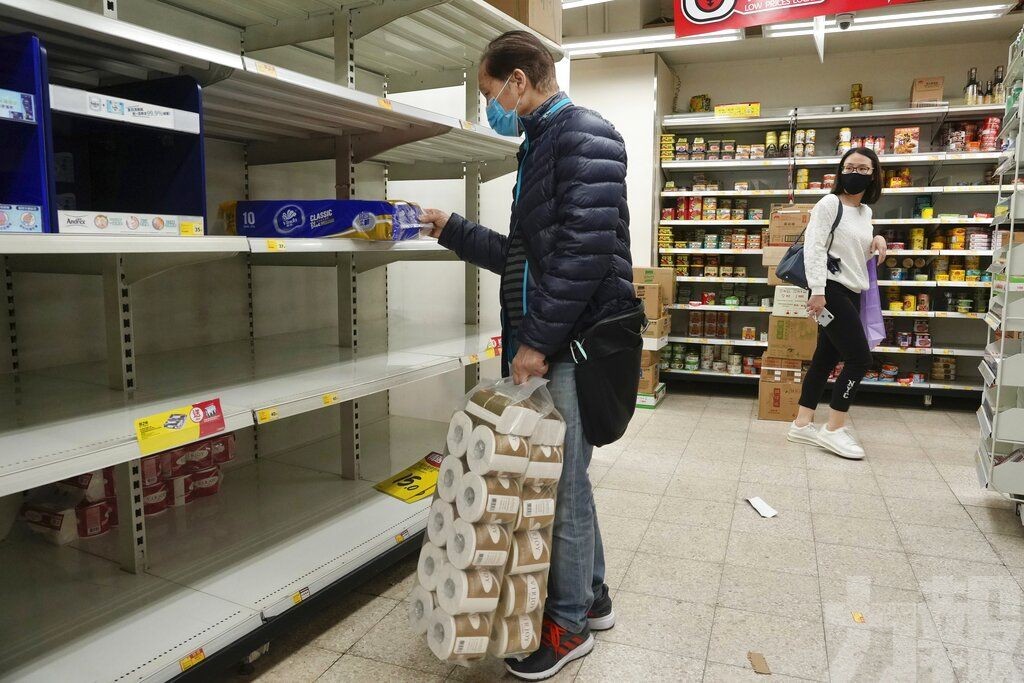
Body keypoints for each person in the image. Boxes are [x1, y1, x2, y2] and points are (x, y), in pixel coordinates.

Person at [420, 30, 634, 681]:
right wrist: (450, 230)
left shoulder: (583, 136)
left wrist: (537, 341)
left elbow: (581, 255)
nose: (491, 106)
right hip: (559, 337)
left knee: (564, 487)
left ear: (519, 81)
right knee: (570, 478)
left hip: (577, 342)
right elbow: (528, 255)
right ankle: (591, 597)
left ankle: (568, 626)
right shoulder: (541, 144)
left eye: (490, 93)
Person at [787, 147, 887, 460]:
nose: (855, 173)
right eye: (850, 167)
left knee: (825, 358)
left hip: (851, 291)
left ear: (873, 176)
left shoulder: (865, 213)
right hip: (830, 293)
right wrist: (817, 291)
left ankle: (802, 424)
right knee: (859, 359)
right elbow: (813, 248)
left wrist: (877, 242)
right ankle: (834, 428)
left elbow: (854, 255)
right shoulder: (829, 204)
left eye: (863, 169)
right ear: (841, 170)